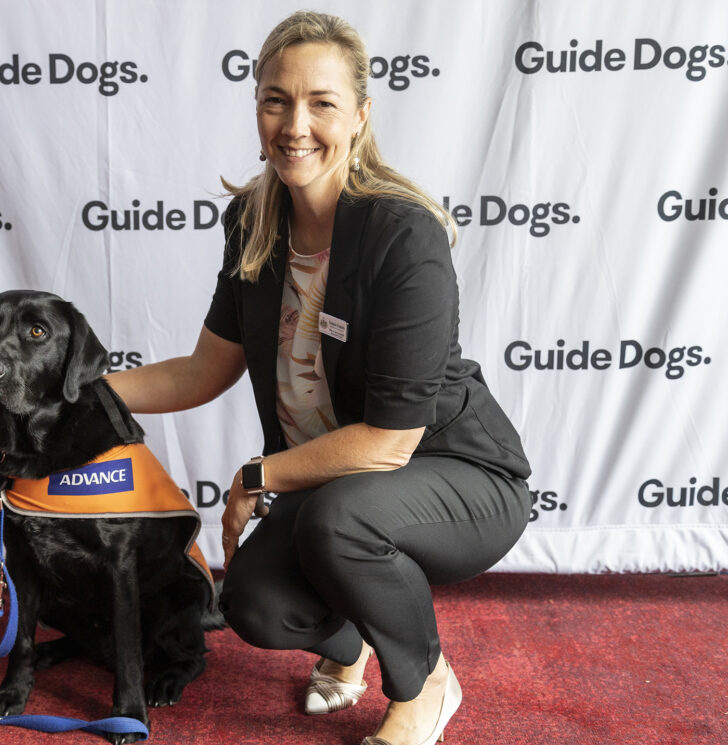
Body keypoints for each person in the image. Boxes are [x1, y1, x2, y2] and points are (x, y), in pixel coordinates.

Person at [106, 10, 532, 745]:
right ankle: (358, 641)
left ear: (360, 116)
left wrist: (256, 474)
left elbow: (393, 443)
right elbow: (205, 369)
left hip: (460, 475)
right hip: (346, 484)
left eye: (321, 103)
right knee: (252, 601)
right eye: (276, 99)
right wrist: (85, 390)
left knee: (342, 523)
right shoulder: (253, 220)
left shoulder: (405, 235)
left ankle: (426, 680)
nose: (294, 123)